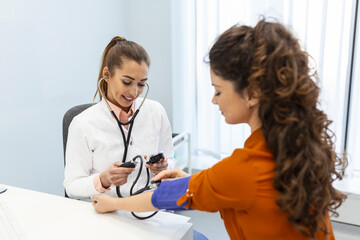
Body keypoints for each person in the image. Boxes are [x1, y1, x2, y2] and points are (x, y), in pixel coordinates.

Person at [91, 20, 346, 239]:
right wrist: (193, 181)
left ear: (253, 93)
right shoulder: (293, 144)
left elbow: (165, 196)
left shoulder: (245, 169)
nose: (214, 100)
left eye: (218, 90)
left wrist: (112, 203)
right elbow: (230, 184)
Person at [64, 36, 175, 199]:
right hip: (108, 214)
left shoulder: (156, 112)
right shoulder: (82, 124)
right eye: (127, 82)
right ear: (107, 74)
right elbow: (72, 186)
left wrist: (164, 167)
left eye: (141, 84)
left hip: (150, 210)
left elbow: (171, 160)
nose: (134, 92)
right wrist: (103, 179)